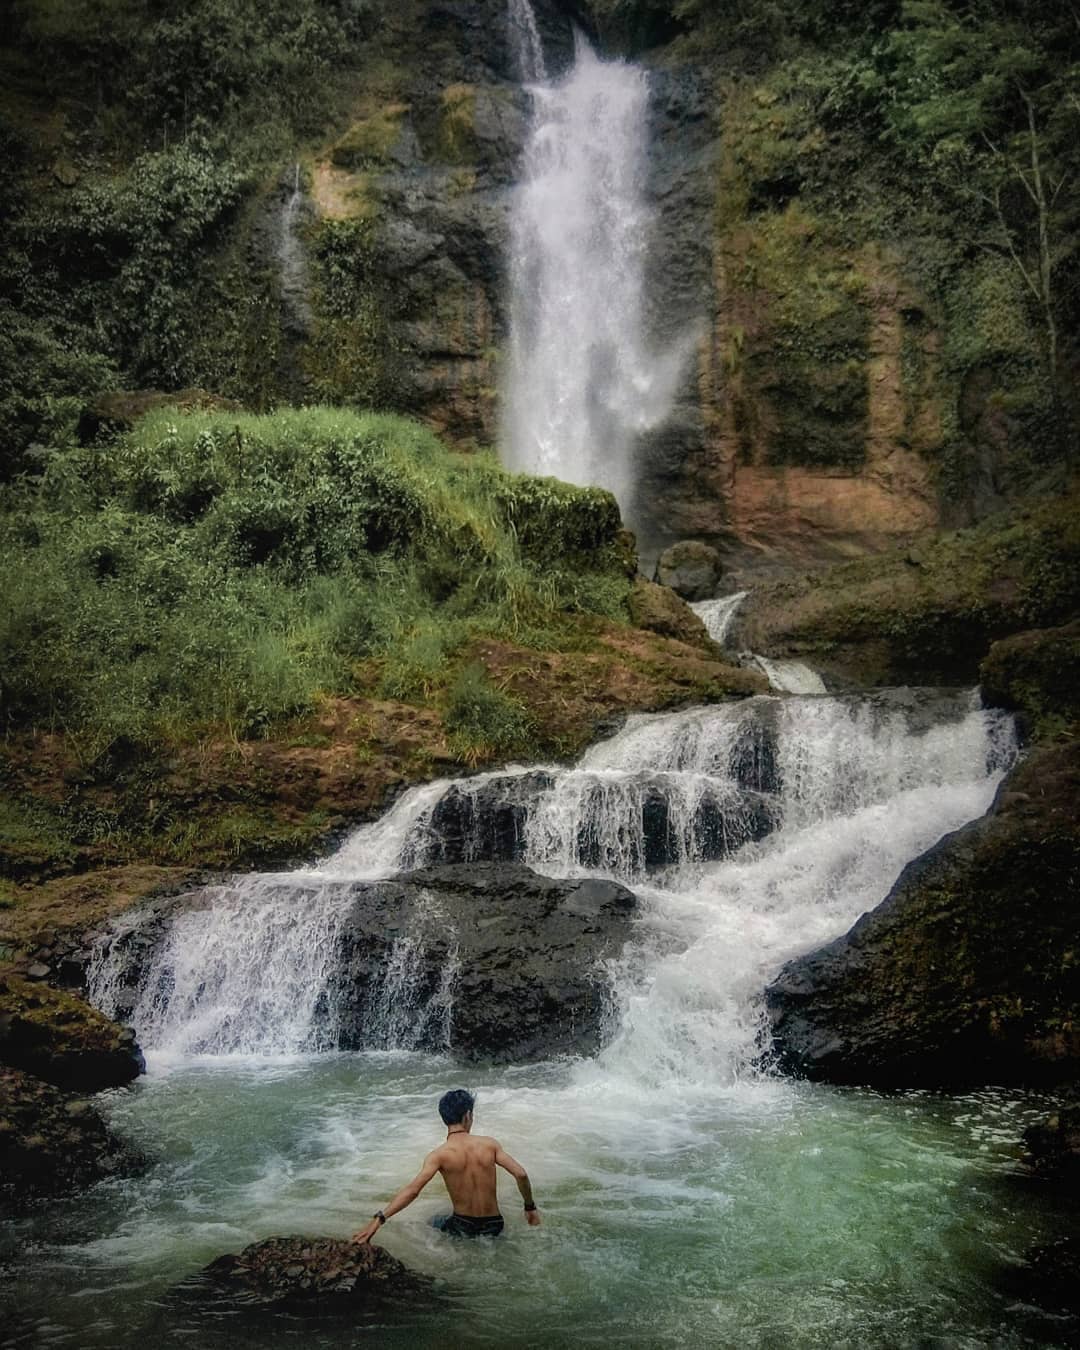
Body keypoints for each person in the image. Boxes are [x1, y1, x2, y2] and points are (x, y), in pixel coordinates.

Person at [351, 1088, 542, 1242]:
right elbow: (521, 1174)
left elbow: (413, 1190)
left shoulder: (439, 1155)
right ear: (468, 1115)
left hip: (462, 1226)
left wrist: (380, 1218)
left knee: (431, 1221)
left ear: (444, 1118)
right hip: (495, 1225)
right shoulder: (489, 1144)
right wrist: (529, 1207)